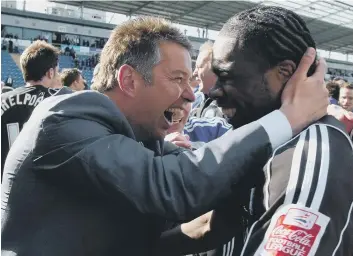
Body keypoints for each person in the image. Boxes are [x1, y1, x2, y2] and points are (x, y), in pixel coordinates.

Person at [2, 17, 328, 256]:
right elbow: (175, 188)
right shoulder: (67, 118)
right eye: (178, 79)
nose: (192, 95)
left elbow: (204, 184)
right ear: (129, 80)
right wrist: (287, 118)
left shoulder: (147, 140)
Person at [157, 7, 352, 256]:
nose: (214, 91)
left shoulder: (314, 153)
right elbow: (212, 224)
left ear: (286, 72)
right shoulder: (264, 136)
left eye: (226, 75)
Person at [1, 40, 64, 177]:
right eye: (57, 71)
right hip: (37, 187)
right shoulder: (57, 102)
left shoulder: (2, 100)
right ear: (50, 72)